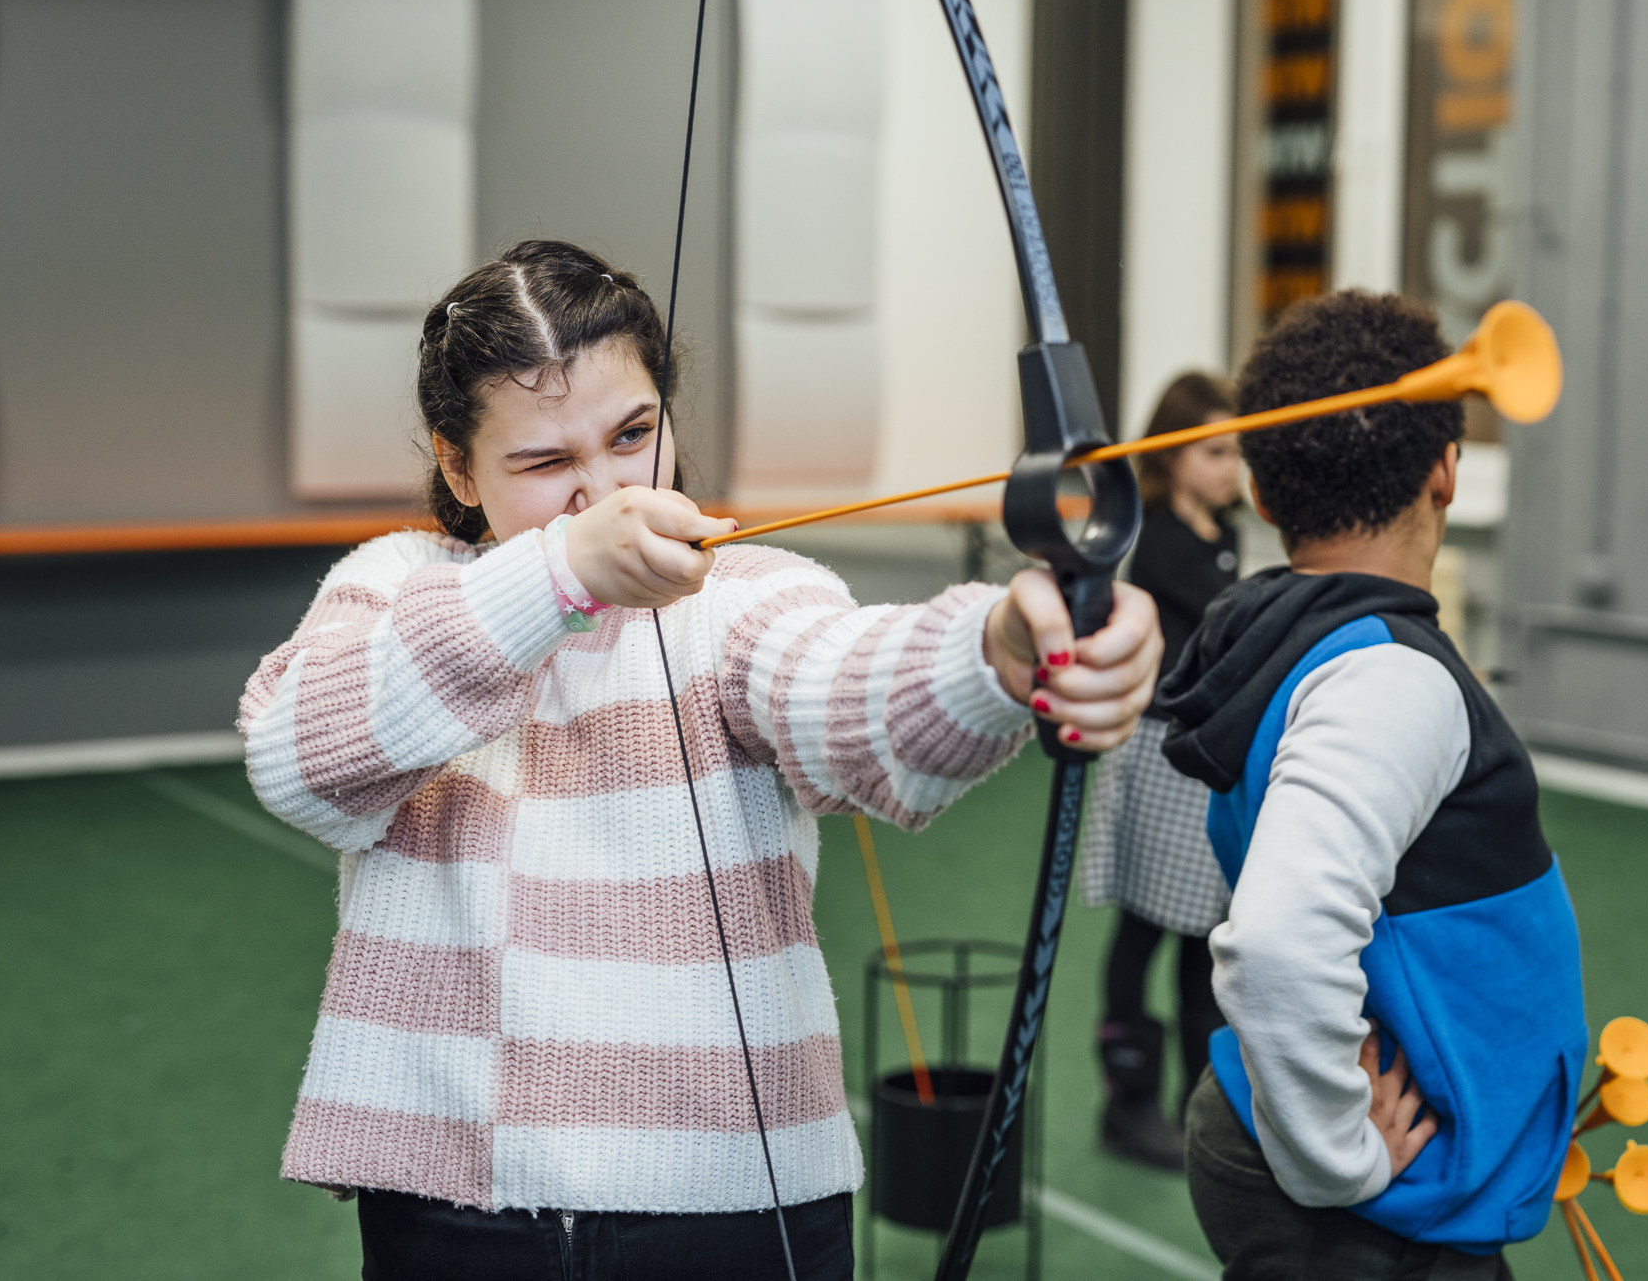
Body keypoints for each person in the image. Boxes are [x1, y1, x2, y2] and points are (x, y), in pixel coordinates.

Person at [237, 240, 1162, 1281]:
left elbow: (848, 689)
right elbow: (297, 757)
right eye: (545, 463)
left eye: (633, 436)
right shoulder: (398, 586)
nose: (604, 495)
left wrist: (993, 653)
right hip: (458, 1210)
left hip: (733, 1205)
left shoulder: (740, 598)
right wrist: (556, 578)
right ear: (457, 466)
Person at [1156, 290, 1585, 1280]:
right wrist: (1337, 1159)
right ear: (1445, 470)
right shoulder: (1385, 679)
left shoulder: (1311, 641)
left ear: (1259, 495)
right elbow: (1274, 942)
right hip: (1370, 1213)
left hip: (1387, 1188)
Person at [1080, 372, 1245, 1170]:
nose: (1231, 466)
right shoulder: (1162, 542)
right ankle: (1129, 1100)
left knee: (1202, 937)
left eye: (1238, 450)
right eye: (1214, 451)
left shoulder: (1223, 534)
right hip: (1159, 752)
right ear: (1173, 455)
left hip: (1202, 756)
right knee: (1146, 927)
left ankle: (1194, 1104)